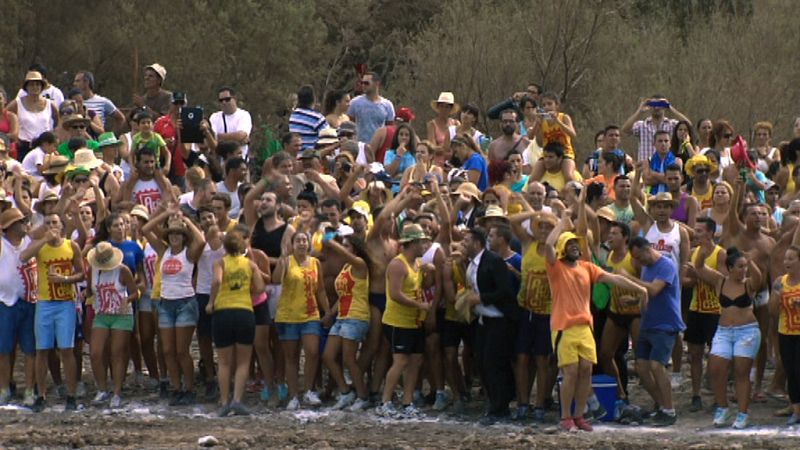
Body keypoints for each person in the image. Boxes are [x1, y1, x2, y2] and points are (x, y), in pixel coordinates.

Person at [543, 211, 648, 432]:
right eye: (570, 243)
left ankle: (580, 415)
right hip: (564, 327)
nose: (575, 246)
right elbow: (548, 246)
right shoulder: (556, 268)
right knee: (570, 371)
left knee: (585, 371)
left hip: (584, 327)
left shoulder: (586, 267)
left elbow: (614, 278)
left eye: (576, 244)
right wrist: (561, 225)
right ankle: (565, 417)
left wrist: (639, 288)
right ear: (563, 247)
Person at [686, 246, 761, 429]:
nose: (743, 270)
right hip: (724, 331)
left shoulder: (748, 283)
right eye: (740, 267)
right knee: (716, 368)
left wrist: (751, 261)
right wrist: (702, 254)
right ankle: (723, 407)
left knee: (741, 373)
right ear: (729, 268)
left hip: (747, 331)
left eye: (745, 266)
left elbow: (759, 279)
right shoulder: (720, 282)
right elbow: (700, 268)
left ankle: (742, 413)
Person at [142, 205, 206, 406]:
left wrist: (186, 220)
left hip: (185, 303)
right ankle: (176, 387)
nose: (175, 237)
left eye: (179, 234)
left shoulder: (189, 254)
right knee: (167, 349)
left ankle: (189, 388)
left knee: (182, 350)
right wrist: (167, 214)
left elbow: (202, 240)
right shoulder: (164, 250)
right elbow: (145, 230)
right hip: (165, 303)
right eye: (172, 234)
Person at [20, 213, 85, 412]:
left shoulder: (71, 246)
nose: (51, 226)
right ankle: (41, 394)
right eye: (47, 223)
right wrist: (43, 240)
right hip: (45, 302)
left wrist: (65, 280)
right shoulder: (41, 246)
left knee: (66, 349)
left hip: (65, 302)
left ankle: (71, 394)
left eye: (54, 222)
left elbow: (82, 272)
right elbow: (23, 257)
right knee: (42, 350)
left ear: (62, 226)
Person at [376, 224, 435, 418]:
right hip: (397, 321)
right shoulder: (397, 264)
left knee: (416, 360)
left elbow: (422, 285)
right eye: (421, 242)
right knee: (400, 361)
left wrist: (430, 273)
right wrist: (419, 306)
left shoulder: (417, 264)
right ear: (413, 243)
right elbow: (395, 294)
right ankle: (385, 401)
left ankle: (407, 400)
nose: (425, 246)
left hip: (414, 321)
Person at [626, 236, 685, 427]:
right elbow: (646, 295)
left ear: (647, 249)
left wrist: (628, 279)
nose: (638, 262)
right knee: (641, 367)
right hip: (648, 323)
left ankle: (669, 409)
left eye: (639, 257)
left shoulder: (666, 265)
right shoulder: (645, 268)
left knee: (657, 365)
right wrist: (634, 302)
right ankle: (662, 406)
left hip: (665, 324)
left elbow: (653, 290)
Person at [206, 231, 266, 417]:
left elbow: (216, 280)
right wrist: (247, 288)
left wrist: (211, 302)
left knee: (223, 362)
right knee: (243, 361)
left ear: (225, 247)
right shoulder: (250, 264)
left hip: (223, 312)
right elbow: (261, 287)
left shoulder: (220, 263)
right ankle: (237, 400)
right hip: (244, 312)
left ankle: (224, 401)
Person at [273, 230, 331, 410]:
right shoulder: (287, 261)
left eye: (305, 240)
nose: (302, 243)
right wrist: (282, 260)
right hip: (288, 315)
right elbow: (276, 280)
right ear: (292, 244)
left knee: (313, 352)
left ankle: (308, 390)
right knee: (291, 357)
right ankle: (293, 395)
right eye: (298, 240)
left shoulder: (315, 263)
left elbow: (320, 289)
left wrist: (327, 311)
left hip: (310, 313)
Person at [511, 211, 558, 422]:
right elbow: (512, 221)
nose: (544, 230)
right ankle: (522, 403)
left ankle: (539, 404)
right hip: (525, 310)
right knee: (521, 357)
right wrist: (535, 211)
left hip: (547, 313)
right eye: (541, 226)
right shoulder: (527, 244)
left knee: (542, 360)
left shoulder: (556, 250)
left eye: (549, 227)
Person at [86, 241, 139, 408]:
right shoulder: (93, 271)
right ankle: (102, 388)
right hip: (102, 313)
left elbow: (134, 292)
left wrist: (127, 300)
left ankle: (116, 391)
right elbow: (89, 290)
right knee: (95, 352)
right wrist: (83, 295)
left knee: (117, 353)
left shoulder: (122, 270)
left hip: (121, 315)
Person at [321, 235, 372, 411]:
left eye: (347, 246)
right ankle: (345, 392)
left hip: (356, 316)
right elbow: (343, 296)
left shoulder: (360, 264)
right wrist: (330, 314)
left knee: (349, 359)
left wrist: (332, 243)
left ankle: (362, 396)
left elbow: (346, 254)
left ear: (355, 249)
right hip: (342, 316)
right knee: (328, 356)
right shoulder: (346, 267)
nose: (343, 249)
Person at [683, 218, 726, 412]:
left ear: (710, 233)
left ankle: (718, 396)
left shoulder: (720, 254)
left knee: (717, 356)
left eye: (700, 231)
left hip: (715, 310)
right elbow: (686, 281)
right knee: (695, 354)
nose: (696, 234)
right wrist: (693, 276)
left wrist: (698, 273)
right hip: (696, 308)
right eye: (695, 231)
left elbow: (722, 283)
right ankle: (696, 394)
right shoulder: (693, 253)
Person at [599, 221, 643, 402]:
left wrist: (637, 299)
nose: (610, 236)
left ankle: (659, 402)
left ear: (625, 238)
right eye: (609, 233)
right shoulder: (608, 256)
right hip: (616, 310)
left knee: (642, 358)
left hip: (635, 313)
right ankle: (621, 394)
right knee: (605, 354)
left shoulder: (633, 258)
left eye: (614, 233)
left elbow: (646, 284)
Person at [0, 208, 38, 407]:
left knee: (30, 349)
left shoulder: (30, 241)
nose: (25, 224)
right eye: (20, 222)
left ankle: (30, 389)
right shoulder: (2, 244)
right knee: (4, 349)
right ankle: (4, 388)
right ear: (9, 227)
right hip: (6, 302)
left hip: (29, 301)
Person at [770, 245, 800, 425]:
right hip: (786, 332)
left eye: (791, 258)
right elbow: (773, 312)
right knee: (791, 371)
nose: (787, 262)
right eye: (785, 259)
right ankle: (795, 408)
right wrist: (777, 295)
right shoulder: (780, 281)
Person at [6, 71, 58, 160]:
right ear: (26, 86)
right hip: (24, 147)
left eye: (37, 84)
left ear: (42, 86)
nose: (35, 87)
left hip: (45, 147)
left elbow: (58, 122)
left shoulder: (51, 105)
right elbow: (4, 116)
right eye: (31, 84)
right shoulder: (17, 104)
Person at [621, 95, 690, 161]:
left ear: (664, 106)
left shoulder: (672, 125)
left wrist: (670, 108)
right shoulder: (642, 125)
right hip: (645, 167)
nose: (656, 108)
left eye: (660, 104)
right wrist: (639, 111)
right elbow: (625, 131)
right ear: (649, 106)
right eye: (653, 104)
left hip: (666, 168)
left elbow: (689, 126)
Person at [348, 72, 395, 144]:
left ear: (376, 84)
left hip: (379, 146)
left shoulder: (387, 105)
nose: (363, 85)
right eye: (362, 83)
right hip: (359, 146)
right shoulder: (355, 103)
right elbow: (349, 125)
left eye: (366, 83)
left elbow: (389, 130)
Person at [209, 86, 253, 159]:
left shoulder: (244, 115)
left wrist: (219, 138)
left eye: (227, 99)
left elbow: (240, 135)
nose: (224, 102)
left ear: (235, 99)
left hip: (239, 162)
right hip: (220, 163)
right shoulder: (214, 117)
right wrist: (237, 141)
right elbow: (211, 139)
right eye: (221, 100)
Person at [289, 85, 329, 150]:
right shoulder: (317, 118)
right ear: (314, 99)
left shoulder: (293, 115)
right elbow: (329, 138)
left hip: (296, 154)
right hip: (311, 156)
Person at [0, 87, 19, 157]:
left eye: (0, 98)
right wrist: (5, 136)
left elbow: (14, 135)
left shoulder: (11, 116)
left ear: (5, 101)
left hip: (9, 154)